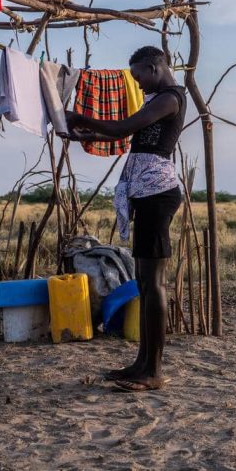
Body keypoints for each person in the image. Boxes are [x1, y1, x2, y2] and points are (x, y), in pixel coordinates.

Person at [66, 46, 186, 391]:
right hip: (148, 193)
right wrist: (85, 134)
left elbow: (123, 128)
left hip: (157, 194)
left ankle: (154, 371)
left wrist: (82, 118)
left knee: (154, 284)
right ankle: (142, 364)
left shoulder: (170, 98)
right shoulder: (158, 99)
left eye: (138, 77)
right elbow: (130, 136)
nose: (137, 84)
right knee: (146, 284)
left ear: (154, 67)